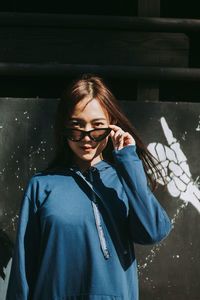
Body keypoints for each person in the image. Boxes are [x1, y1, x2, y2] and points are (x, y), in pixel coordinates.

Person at [6, 74, 171, 300]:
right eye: (76, 126)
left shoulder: (124, 180)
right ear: (64, 127)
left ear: (112, 125)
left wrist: (129, 162)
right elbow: (23, 269)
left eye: (97, 126)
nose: (87, 137)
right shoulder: (42, 185)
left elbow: (153, 232)